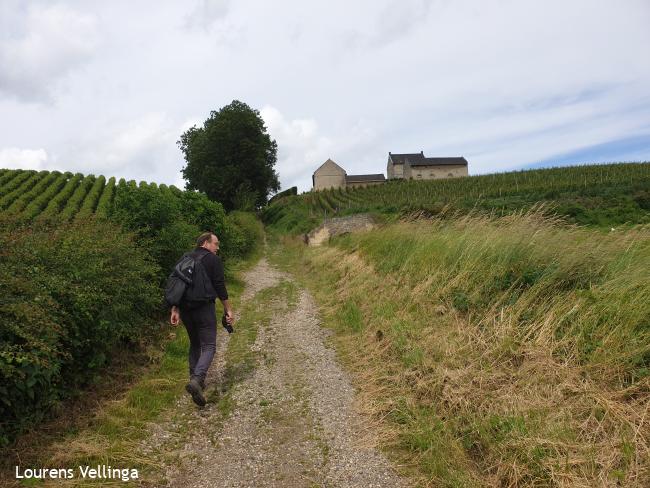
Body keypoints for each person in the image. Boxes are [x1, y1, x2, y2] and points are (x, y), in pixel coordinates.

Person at [170, 232, 234, 406]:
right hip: (203, 307)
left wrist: (175, 308)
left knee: (195, 344)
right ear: (206, 243)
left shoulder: (185, 257)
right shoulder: (213, 260)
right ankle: (197, 380)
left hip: (185, 308)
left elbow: (179, 284)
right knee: (209, 345)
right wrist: (228, 309)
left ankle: (195, 380)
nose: (217, 248)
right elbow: (220, 286)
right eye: (216, 244)